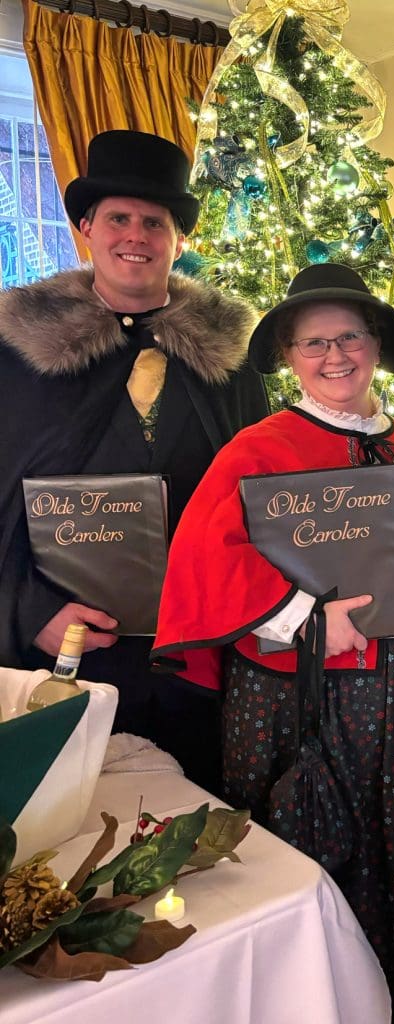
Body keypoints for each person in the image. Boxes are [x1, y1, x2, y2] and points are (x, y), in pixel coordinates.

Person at [151, 263, 394, 1024]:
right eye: (313, 343)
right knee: (328, 854)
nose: (335, 356)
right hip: (309, 693)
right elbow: (206, 561)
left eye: (349, 337)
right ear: (290, 356)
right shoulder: (258, 448)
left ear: (376, 344)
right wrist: (307, 616)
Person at [0, 129, 268, 790]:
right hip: (69, 655)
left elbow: (265, 497)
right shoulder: (14, 359)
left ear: (177, 239)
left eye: (155, 221)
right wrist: (34, 614)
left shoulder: (231, 367)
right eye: (119, 217)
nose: (136, 235)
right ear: (86, 226)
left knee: (200, 838)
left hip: (200, 657)